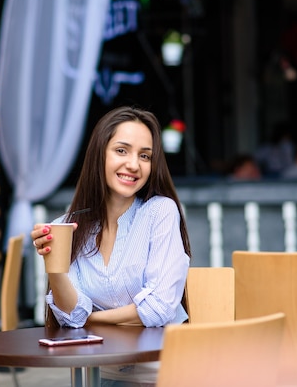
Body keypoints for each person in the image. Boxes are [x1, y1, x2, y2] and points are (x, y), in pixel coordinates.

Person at [30, 106, 191, 386]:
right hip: (98, 371)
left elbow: (159, 309)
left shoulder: (161, 212)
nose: (133, 164)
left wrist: (90, 319)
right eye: (121, 150)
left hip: (160, 371)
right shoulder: (68, 227)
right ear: (99, 154)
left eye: (144, 156)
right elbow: (71, 315)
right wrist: (53, 265)